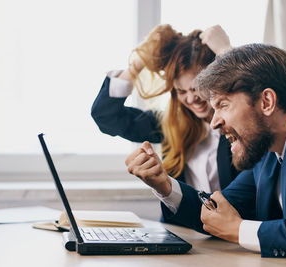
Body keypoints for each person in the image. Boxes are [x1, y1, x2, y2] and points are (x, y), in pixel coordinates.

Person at [125, 43, 286, 265]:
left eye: (223, 105)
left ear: (266, 102)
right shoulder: (267, 155)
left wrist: (241, 230)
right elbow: (217, 215)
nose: (214, 122)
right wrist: (164, 185)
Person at [91, 25, 239, 222]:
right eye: (182, 91)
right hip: (183, 233)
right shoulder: (171, 124)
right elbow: (106, 115)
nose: (192, 99)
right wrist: (137, 64)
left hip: (232, 231)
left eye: (197, 88)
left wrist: (226, 52)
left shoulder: (243, 126)